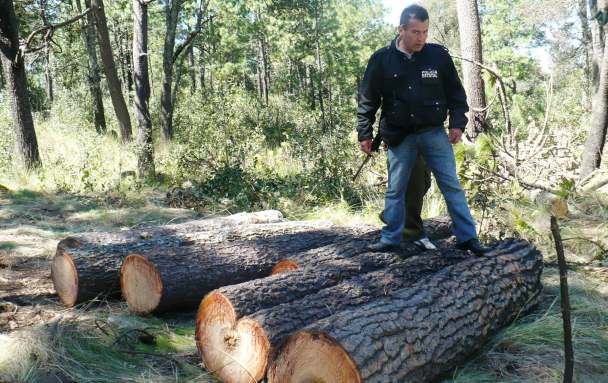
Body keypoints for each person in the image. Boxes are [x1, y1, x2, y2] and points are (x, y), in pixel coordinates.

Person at [357, 4, 489, 255]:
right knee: (396, 189)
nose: (422, 38)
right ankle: (391, 239)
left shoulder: (438, 56)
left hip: (433, 133)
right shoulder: (381, 60)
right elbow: (368, 99)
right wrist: (364, 132)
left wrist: (458, 123)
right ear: (402, 29)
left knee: (451, 186)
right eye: (416, 32)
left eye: (425, 32)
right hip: (399, 135)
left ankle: (468, 238)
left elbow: (455, 93)